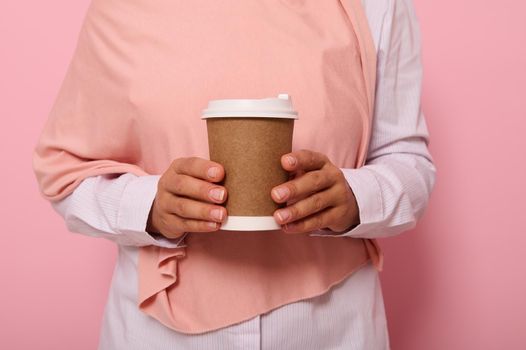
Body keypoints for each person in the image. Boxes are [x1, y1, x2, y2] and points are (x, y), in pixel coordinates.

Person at [32, 0, 435, 349]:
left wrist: (354, 198)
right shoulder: (121, 9)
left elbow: (407, 159)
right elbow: (66, 173)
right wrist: (151, 206)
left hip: (333, 325)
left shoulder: (374, 5)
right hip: (158, 334)